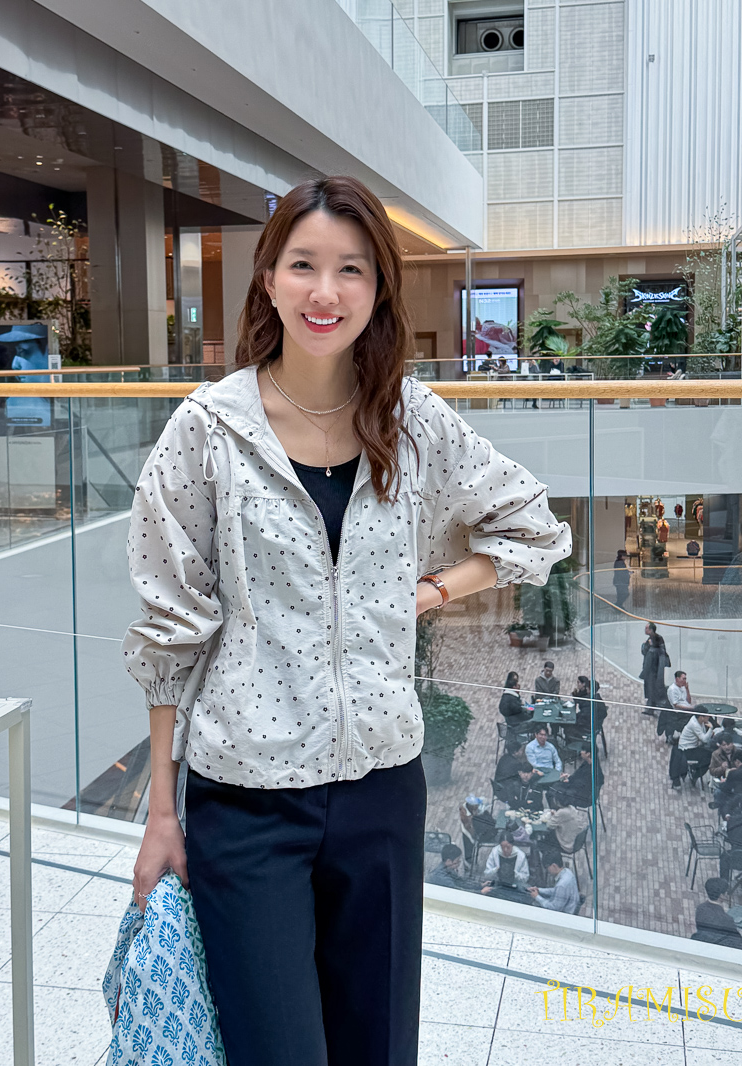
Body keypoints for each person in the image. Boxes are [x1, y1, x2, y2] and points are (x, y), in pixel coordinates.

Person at [123, 175, 572, 1066]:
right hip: (247, 797)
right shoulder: (207, 431)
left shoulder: (412, 421)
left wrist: (432, 591)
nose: (324, 293)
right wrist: (161, 813)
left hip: (382, 787)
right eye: (303, 265)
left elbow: (535, 528)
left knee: (379, 1045)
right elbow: (169, 631)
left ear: (379, 288)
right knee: (278, 1047)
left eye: (351, 269)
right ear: (268, 278)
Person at [694, 878, 742, 949]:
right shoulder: (726, 919)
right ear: (721, 895)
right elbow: (738, 941)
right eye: (726, 892)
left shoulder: (700, 908)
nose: (727, 893)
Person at [672, 709, 714, 789]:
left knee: (708, 753)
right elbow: (704, 739)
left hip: (693, 746)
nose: (709, 717)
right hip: (687, 750)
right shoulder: (695, 724)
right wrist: (711, 728)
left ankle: (695, 769)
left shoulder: (698, 721)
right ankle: (695, 774)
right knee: (710, 757)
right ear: (701, 717)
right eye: (707, 716)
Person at [551, 744, 601, 809]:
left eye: (583, 750)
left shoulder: (592, 770)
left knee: (553, 791)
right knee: (556, 786)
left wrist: (569, 782)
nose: (581, 752)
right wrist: (569, 778)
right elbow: (578, 775)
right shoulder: (588, 763)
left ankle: (557, 811)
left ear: (588, 754)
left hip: (583, 798)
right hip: (579, 790)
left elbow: (581, 784)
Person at [640, 622, 670, 713]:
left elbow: (655, 653)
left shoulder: (657, 640)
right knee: (650, 687)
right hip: (651, 669)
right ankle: (651, 705)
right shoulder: (652, 639)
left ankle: (651, 706)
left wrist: (647, 645)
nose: (645, 630)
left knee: (652, 687)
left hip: (653, 670)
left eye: (646, 628)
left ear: (651, 630)